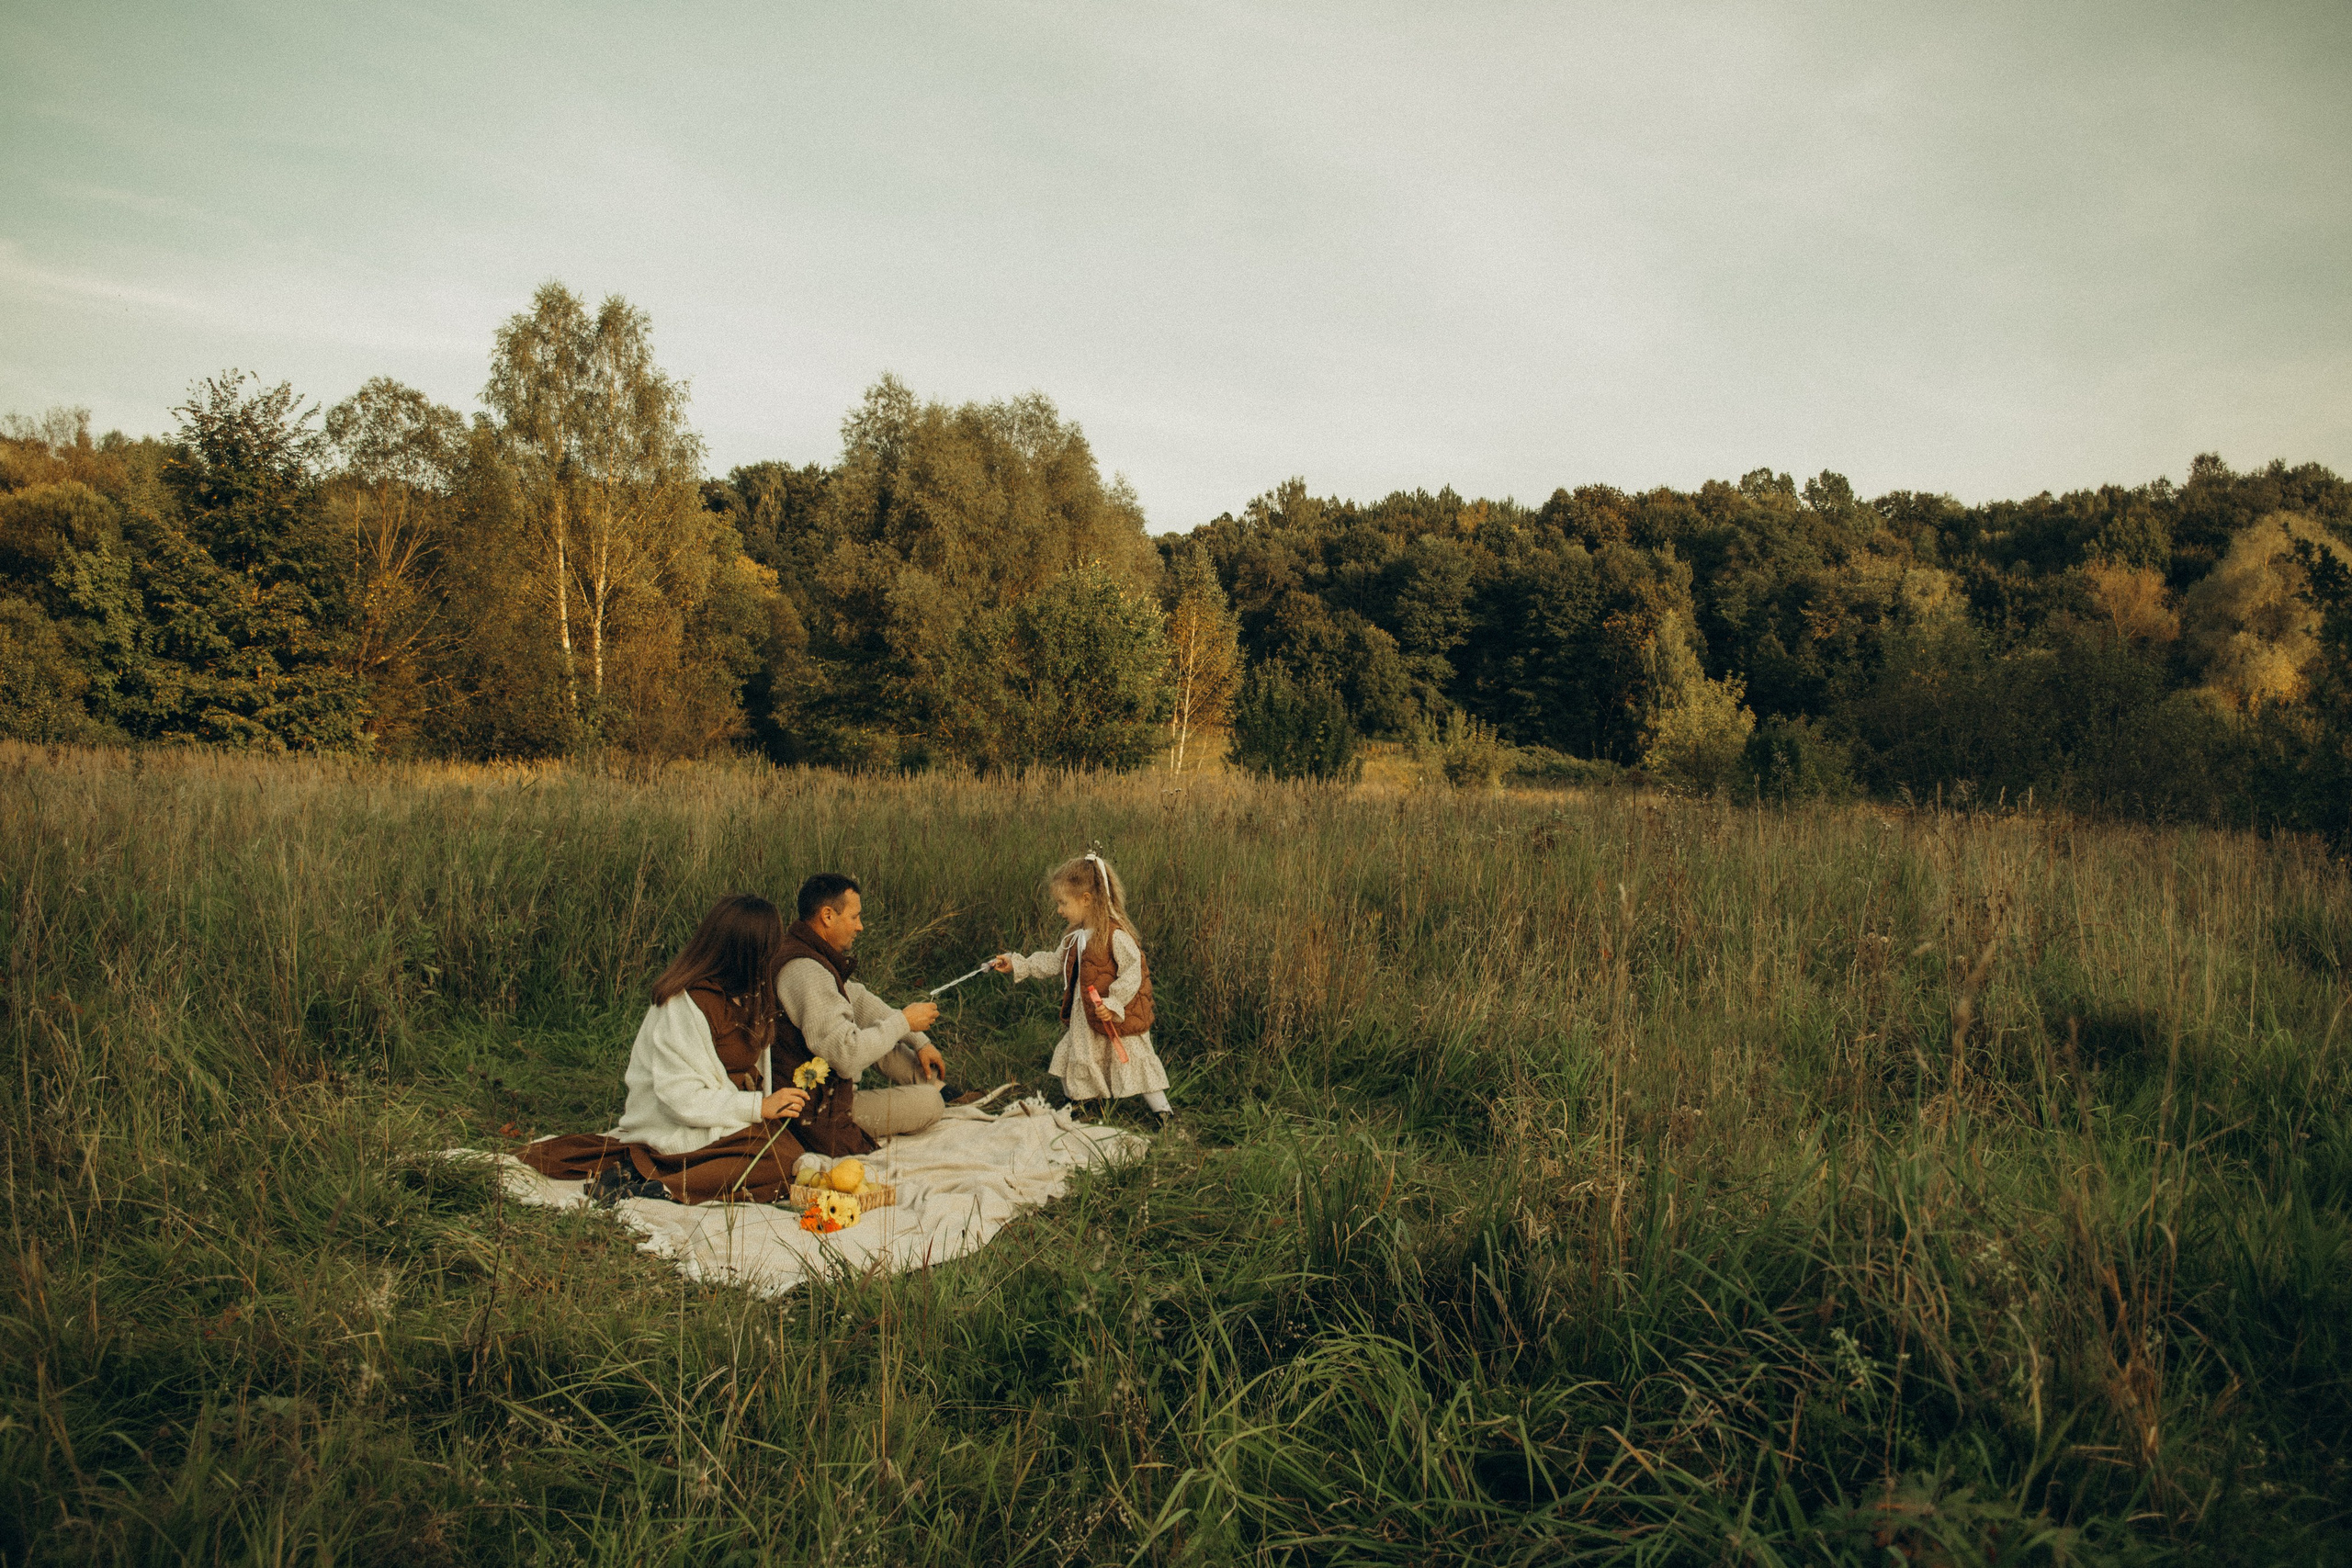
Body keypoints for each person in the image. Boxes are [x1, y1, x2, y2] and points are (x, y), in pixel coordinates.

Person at [518, 894, 813, 1203]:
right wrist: (757, 1107)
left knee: (787, 1156)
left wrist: (768, 1100)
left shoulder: (748, 998)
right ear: (745, 951)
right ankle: (661, 1187)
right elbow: (679, 1099)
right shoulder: (683, 1004)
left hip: (720, 1120)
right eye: (770, 946)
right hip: (674, 1122)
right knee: (778, 1160)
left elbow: (746, 1069)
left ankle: (654, 1181)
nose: (775, 953)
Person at [990, 852, 1174, 1128]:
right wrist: (1019, 963)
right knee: (1076, 1054)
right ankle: (1085, 1103)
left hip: (1111, 1012)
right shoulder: (1073, 935)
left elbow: (1132, 970)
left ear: (1086, 899)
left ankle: (1162, 1112)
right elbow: (1055, 962)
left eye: (1063, 903)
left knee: (1132, 1056)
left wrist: (1114, 1004)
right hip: (1084, 1013)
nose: (1059, 910)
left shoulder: (1115, 934)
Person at [774, 872, 948, 1147]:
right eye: (854, 917)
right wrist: (903, 1022)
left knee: (884, 1033)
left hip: (827, 1092)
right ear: (828, 916)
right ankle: (940, 1095)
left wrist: (919, 1040)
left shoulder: (810, 953)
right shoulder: (805, 971)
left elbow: (860, 1001)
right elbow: (847, 1056)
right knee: (931, 1104)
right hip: (817, 1112)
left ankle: (944, 1089)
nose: (860, 927)